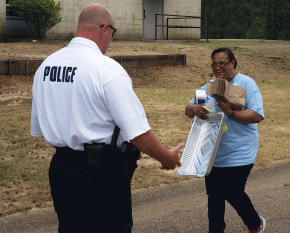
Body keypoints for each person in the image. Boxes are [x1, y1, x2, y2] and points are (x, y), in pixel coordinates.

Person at [30, 4, 184, 233]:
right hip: (101, 174)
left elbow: (41, 129)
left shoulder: (46, 66)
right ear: (104, 28)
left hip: (61, 169)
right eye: (113, 32)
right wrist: (166, 158)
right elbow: (138, 133)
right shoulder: (107, 70)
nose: (111, 39)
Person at [185, 48, 266, 233]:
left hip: (240, 151)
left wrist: (230, 112)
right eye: (214, 63)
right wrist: (197, 108)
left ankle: (255, 224)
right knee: (214, 196)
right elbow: (188, 108)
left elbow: (257, 115)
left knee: (233, 192)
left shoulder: (247, 84)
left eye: (222, 63)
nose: (217, 66)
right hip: (214, 151)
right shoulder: (209, 87)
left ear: (232, 63)